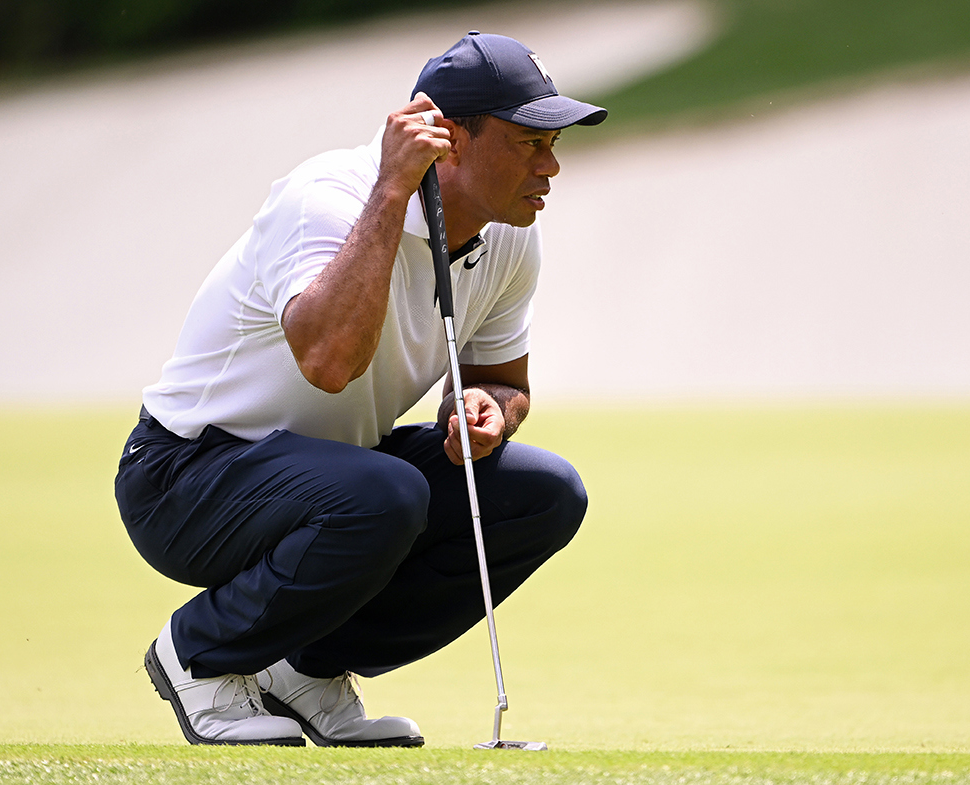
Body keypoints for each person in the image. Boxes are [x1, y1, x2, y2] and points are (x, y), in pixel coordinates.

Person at [114, 31, 604, 747]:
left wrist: (489, 414)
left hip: (336, 479)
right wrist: (391, 188)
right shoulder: (327, 200)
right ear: (448, 141)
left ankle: (305, 669)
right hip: (184, 477)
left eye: (553, 142)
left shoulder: (510, 237)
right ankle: (200, 654)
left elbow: (503, 380)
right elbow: (330, 361)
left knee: (543, 492)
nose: (551, 165)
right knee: (383, 494)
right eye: (530, 142)